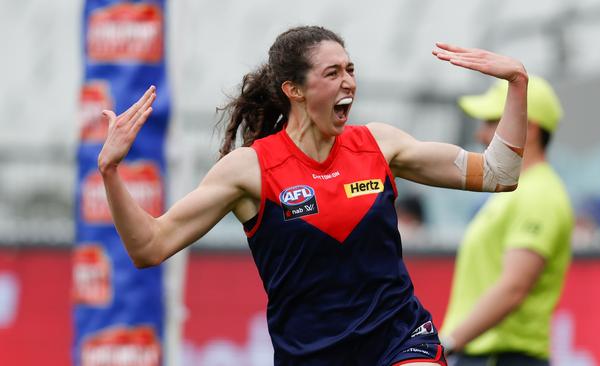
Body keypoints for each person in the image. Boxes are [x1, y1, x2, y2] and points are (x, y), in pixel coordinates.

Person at [98, 25, 529, 366]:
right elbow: (148, 247)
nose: (349, 83)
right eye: (333, 73)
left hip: (398, 340)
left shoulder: (379, 144)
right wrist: (111, 171)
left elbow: (498, 174)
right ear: (294, 90)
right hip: (312, 354)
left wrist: (517, 82)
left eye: (351, 69)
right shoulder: (250, 169)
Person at [440, 76, 574, 366]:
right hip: (487, 355)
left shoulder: (540, 195)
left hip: (501, 357)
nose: (481, 134)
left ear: (529, 128)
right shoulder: (517, 190)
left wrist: (446, 343)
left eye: (491, 121)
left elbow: (513, 287)